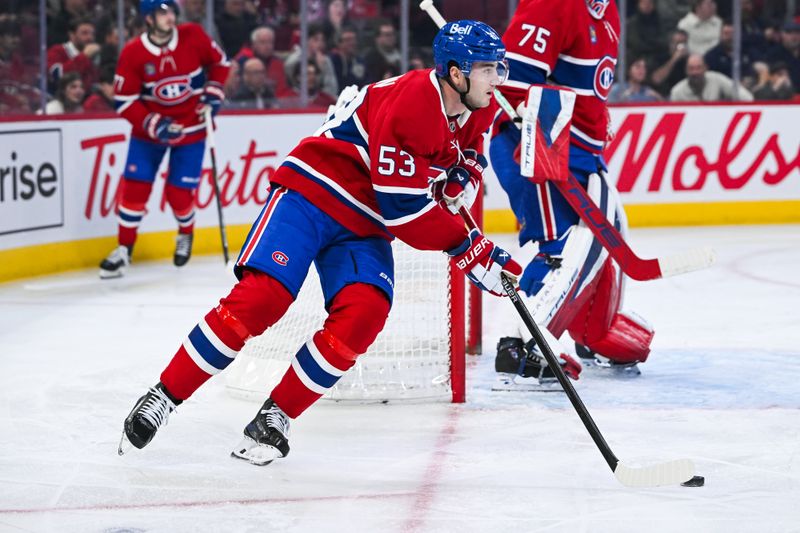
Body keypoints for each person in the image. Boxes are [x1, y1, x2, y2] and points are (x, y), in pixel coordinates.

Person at [118, 19, 521, 465]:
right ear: (456, 72)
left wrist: (463, 174)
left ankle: (275, 416)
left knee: (365, 312)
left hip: (365, 221)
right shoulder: (412, 104)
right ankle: (164, 396)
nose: (497, 78)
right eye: (488, 69)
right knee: (262, 298)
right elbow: (404, 213)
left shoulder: (477, 103)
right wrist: (471, 247)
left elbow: (469, 152)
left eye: (498, 68)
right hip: (315, 192)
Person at [490, 0, 656, 385]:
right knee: (564, 245)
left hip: (578, 150)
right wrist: (536, 141)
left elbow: (583, 84)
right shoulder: (554, 4)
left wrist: (598, 116)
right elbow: (511, 83)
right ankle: (520, 344)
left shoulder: (608, 10)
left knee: (607, 236)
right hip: (536, 142)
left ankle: (591, 332)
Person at [99, 0, 230, 279]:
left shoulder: (193, 35)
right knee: (135, 189)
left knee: (178, 193)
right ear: (148, 19)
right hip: (149, 135)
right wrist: (152, 123)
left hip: (191, 129)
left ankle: (185, 233)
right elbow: (124, 100)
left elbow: (220, 62)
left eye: (171, 10)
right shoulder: (133, 52)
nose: (169, 16)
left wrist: (213, 93)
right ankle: (124, 249)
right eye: (161, 12)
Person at [46, 17, 99, 95]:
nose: (90, 37)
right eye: (84, 33)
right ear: (72, 35)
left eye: (92, 34)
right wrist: (84, 56)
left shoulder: (95, 55)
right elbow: (58, 76)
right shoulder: (57, 51)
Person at [670, 53, 754, 101]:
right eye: (691, 68)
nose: (695, 72)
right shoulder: (677, 92)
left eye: (698, 68)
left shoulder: (716, 79)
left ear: (705, 68)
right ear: (686, 70)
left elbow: (746, 97)